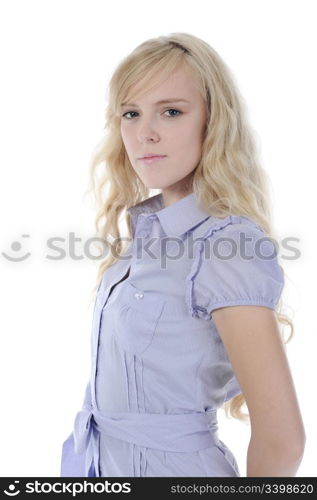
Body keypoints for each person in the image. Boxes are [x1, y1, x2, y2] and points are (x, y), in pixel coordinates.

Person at [60, 32, 305, 477]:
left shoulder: (227, 245)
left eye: (171, 111)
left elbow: (282, 438)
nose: (145, 133)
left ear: (213, 122)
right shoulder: (142, 239)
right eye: (130, 113)